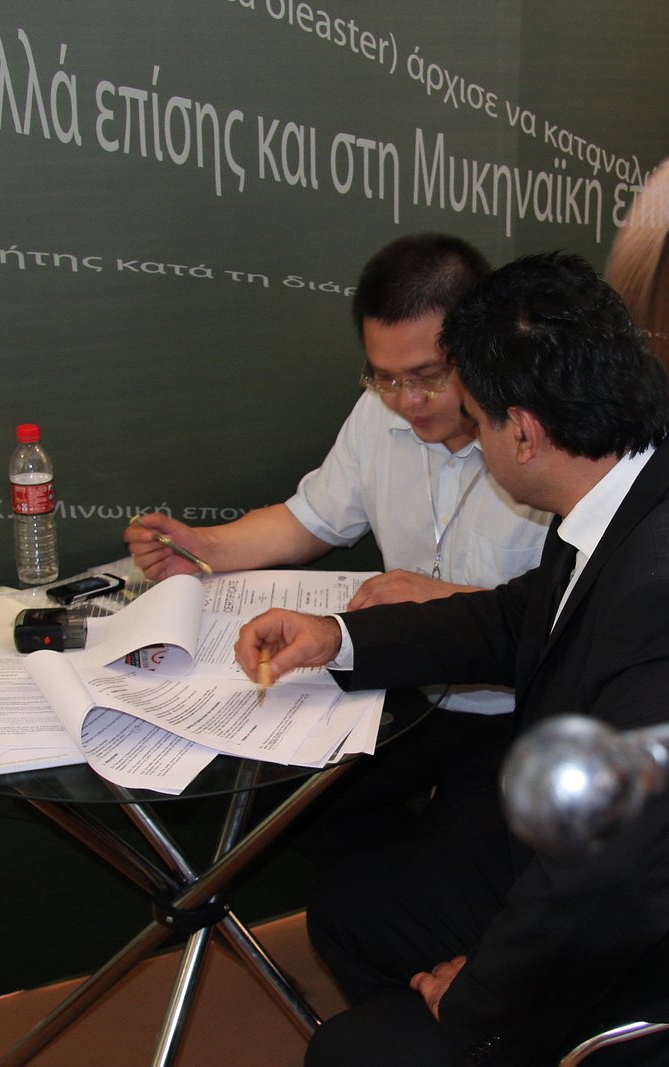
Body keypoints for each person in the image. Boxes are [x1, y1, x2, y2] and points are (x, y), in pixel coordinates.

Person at [236, 252, 669, 1066]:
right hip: (615, 854)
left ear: (523, 432)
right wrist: (340, 638)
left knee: (347, 1054)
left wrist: (485, 994)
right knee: (354, 913)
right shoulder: (640, 482)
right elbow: (516, 617)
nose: (468, 434)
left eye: (477, 419)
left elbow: (616, 885)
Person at [125, 233, 551, 858]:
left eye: (428, 377)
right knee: (274, 808)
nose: (406, 403)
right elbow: (309, 521)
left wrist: (451, 604)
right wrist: (201, 545)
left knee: (443, 874)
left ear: (482, 348)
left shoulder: (542, 439)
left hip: (518, 716)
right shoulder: (380, 412)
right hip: (407, 693)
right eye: (385, 378)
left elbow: (584, 615)